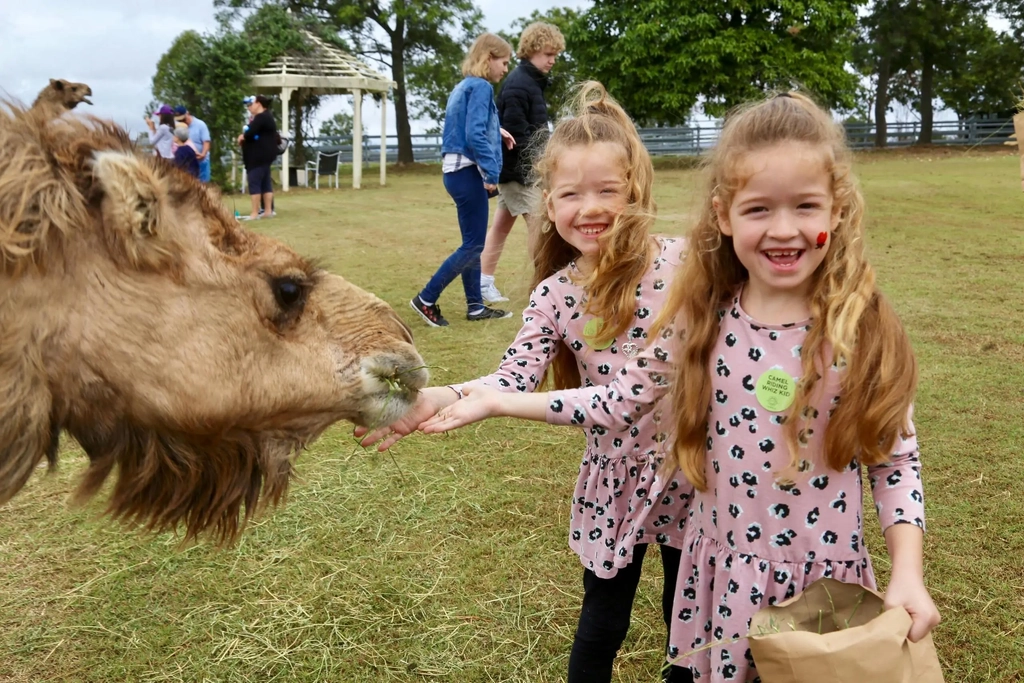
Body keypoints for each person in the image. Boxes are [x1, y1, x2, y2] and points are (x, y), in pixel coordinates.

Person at [425, 91, 942, 682]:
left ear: (837, 210)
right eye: (757, 210)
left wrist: (909, 569)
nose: (783, 230)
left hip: (823, 576)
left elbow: (895, 456)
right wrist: (479, 398)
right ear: (724, 215)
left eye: (805, 206)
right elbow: (617, 399)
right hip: (719, 572)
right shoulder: (701, 315)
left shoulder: (860, 322)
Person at [359, 82, 695, 683]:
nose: (589, 208)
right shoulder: (554, 295)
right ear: (546, 202)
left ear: (636, 192)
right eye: (570, 193)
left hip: (697, 471)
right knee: (602, 621)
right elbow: (511, 376)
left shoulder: (684, 266)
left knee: (689, 619)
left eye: (607, 191)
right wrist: (439, 397)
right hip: (615, 478)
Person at [409, 33, 517, 327]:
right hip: (469, 174)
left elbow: (470, 127)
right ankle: (426, 299)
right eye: (503, 62)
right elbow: (473, 134)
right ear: (489, 58)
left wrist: (499, 131)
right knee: (472, 245)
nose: (505, 69)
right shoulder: (481, 87)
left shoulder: (463, 86)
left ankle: (475, 307)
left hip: (454, 172)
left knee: (474, 243)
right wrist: (492, 174)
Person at [478, 21, 565, 305]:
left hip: (521, 172)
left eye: (555, 54)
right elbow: (516, 132)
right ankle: (546, 287)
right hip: (519, 173)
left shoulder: (532, 83)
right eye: (548, 54)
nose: (552, 60)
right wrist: (545, 158)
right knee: (540, 229)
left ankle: (484, 282)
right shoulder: (518, 84)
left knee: (501, 227)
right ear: (531, 51)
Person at [237, 94, 278, 221]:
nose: (249, 107)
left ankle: (254, 213)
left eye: (251, 104)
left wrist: (242, 136)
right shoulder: (268, 117)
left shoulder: (261, 117)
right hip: (265, 157)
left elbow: (250, 133)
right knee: (266, 184)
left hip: (257, 157)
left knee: (254, 183)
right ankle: (267, 211)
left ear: (258, 104)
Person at [174, 105, 212, 183]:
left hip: (202, 160)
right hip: (187, 161)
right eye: (179, 120)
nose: (182, 121)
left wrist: (203, 154)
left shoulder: (200, 125)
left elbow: (206, 142)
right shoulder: (179, 126)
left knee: (203, 184)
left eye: (183, 119)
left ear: (187, 114)